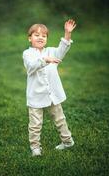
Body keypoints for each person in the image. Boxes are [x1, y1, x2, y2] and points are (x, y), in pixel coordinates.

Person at [23, 19, 76, 156]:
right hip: (35, 95)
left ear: (46, 39)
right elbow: (31, 66)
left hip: (52, 95)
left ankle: (68, 141)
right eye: (36, 35)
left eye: (44, 36)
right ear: (30, 38)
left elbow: (62, 49)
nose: (40, 37)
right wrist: (45, 60)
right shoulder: (27, 54)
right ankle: (35, 147)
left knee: (60, 119)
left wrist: (67, 34)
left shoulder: (51, 51)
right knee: (35, 124)